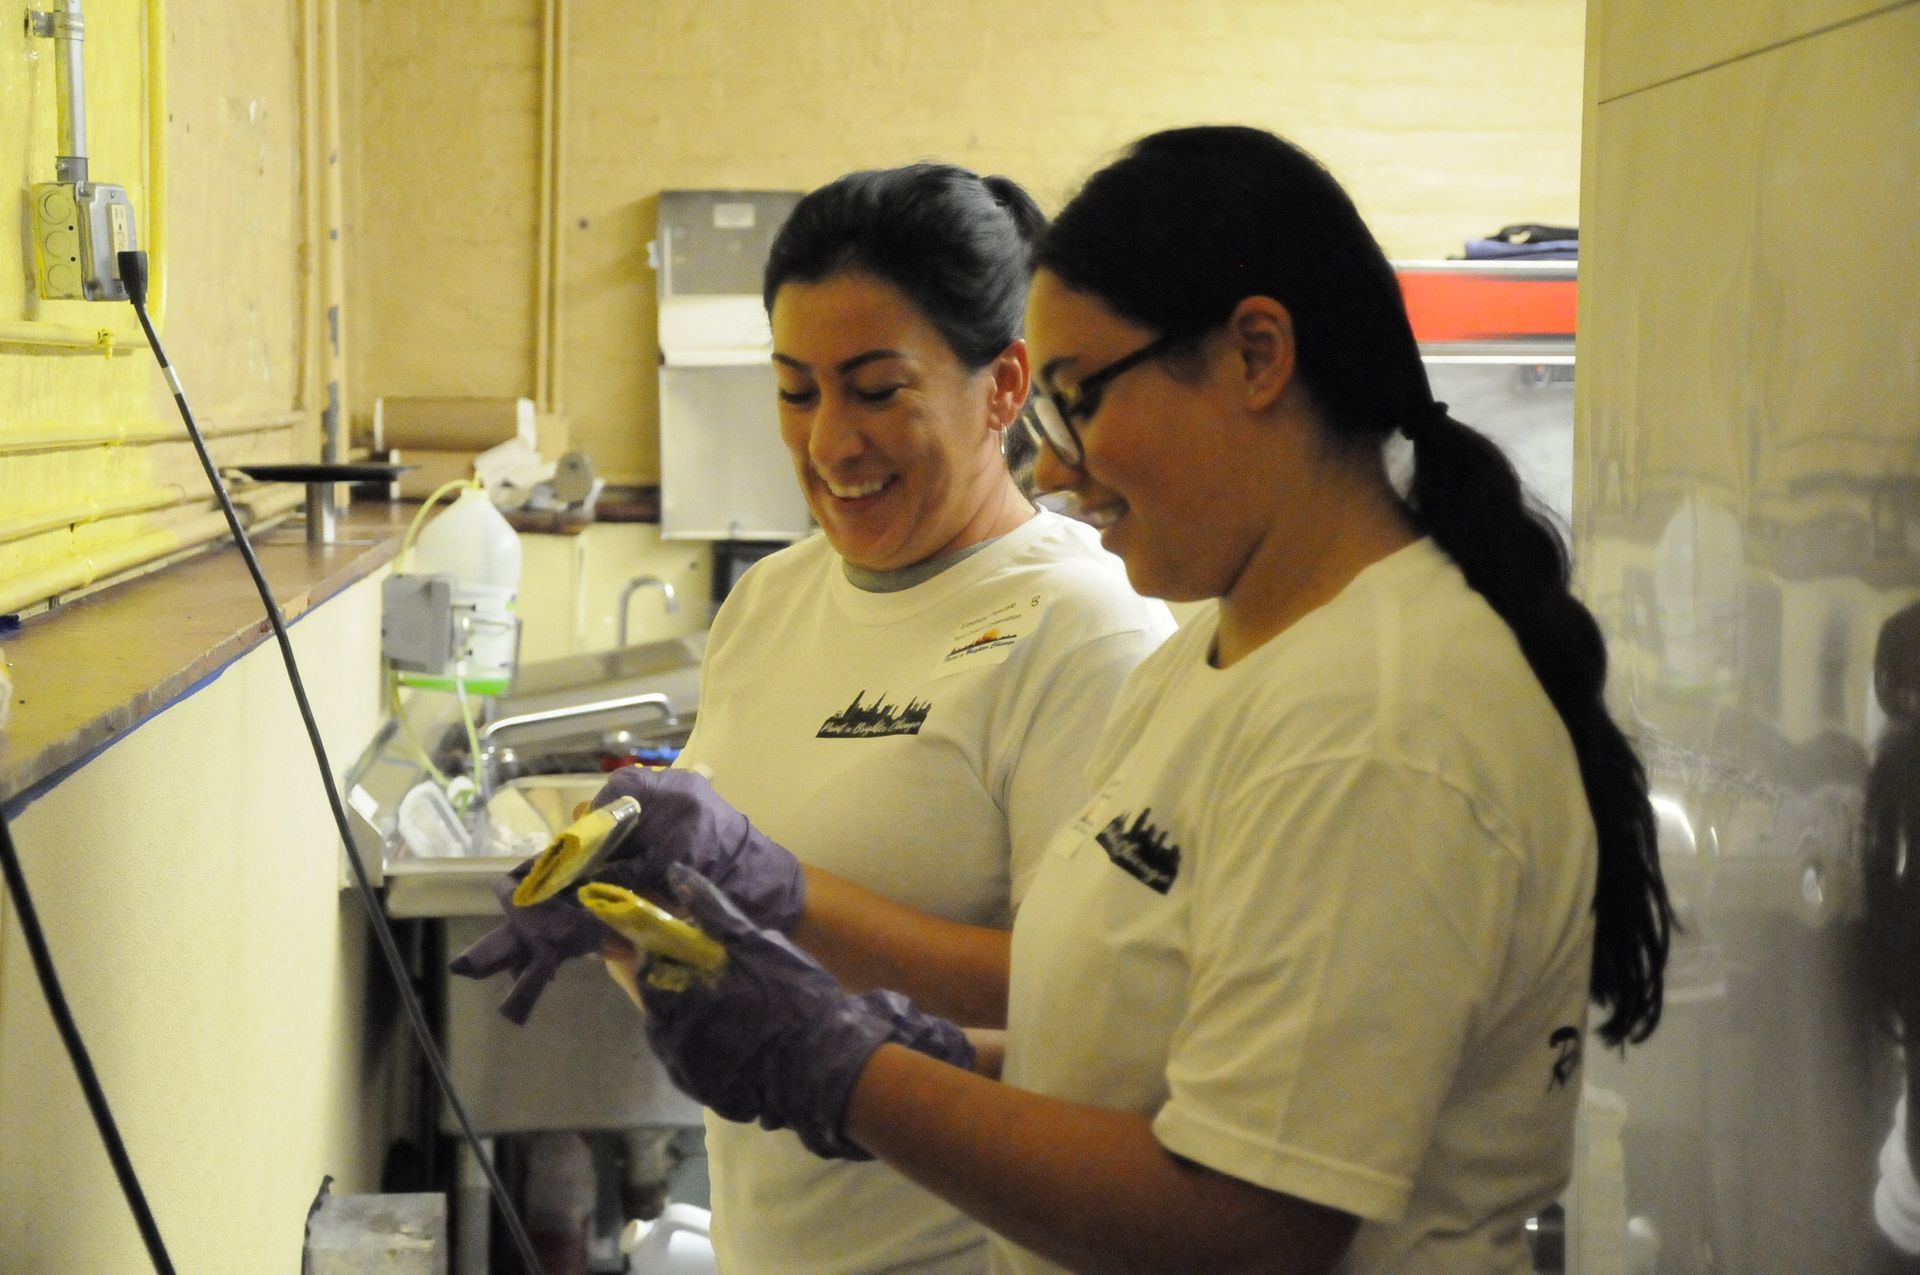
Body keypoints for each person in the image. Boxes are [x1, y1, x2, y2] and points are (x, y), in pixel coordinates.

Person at [594, 125, 1676, 1275]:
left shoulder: (1378, 728)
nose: (1052, 467)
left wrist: (849, 1074)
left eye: (1078, 400)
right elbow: (1134, 1058)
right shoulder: (1212, 658)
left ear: (1258, 356)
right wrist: (905, 1048)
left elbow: (1247, 1226)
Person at [456, 161, 1174, 1275]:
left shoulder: (1085, 629)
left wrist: (786, 895)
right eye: (798, 389)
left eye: (878, 389)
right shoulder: (774, 600)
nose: (832, 441)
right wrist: (623, 912)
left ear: (1003, 385)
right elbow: (714, 928)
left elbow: (1095, 1000)